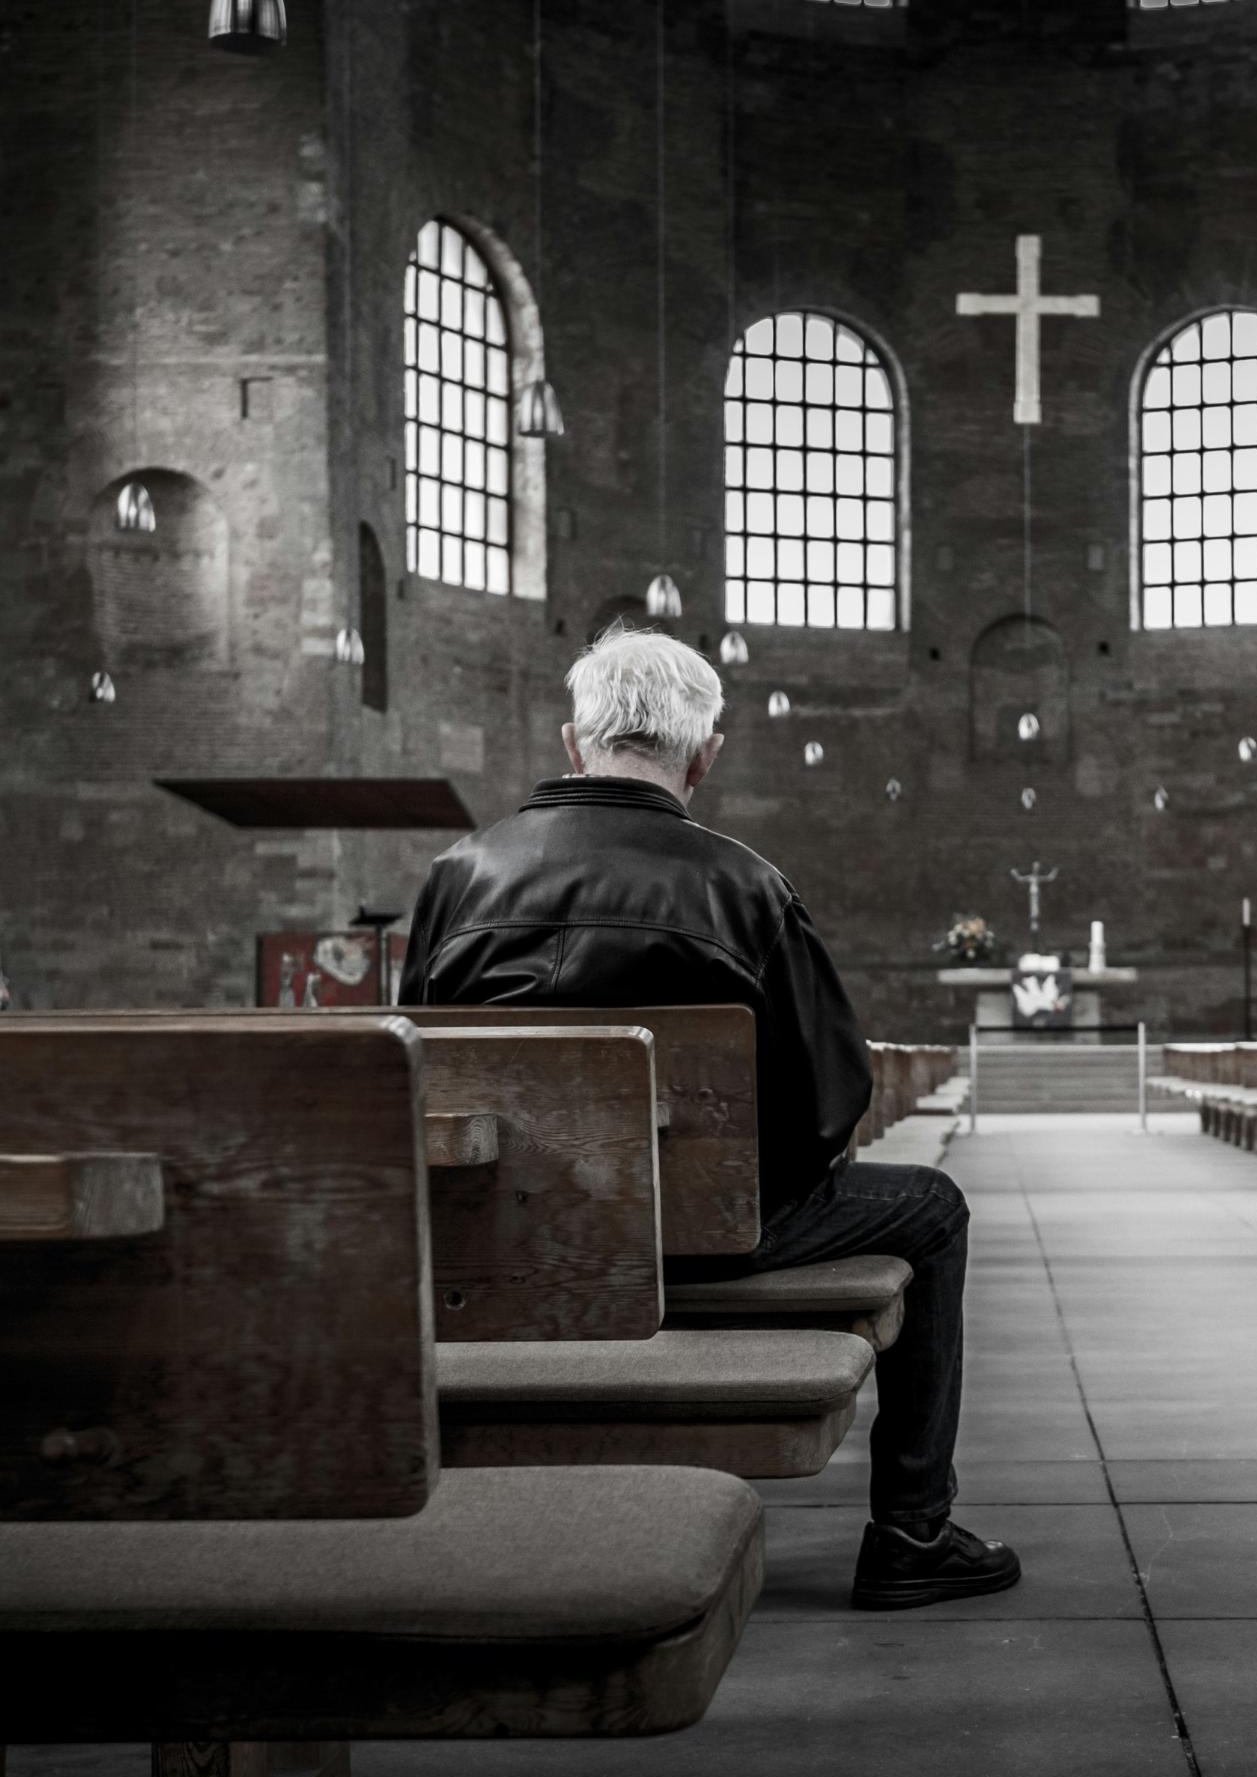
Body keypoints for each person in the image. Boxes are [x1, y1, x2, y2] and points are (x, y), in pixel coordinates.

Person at [400, 623, 1020, 1611]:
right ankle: (912, 1527)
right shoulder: (745, 882)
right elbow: (833, 1100)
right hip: (717, 1237)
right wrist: (716, 1196)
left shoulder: (457, 877)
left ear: (572, 741)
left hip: (517, 1240)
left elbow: (420, 1079)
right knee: (932, 1205)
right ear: (705, 753)